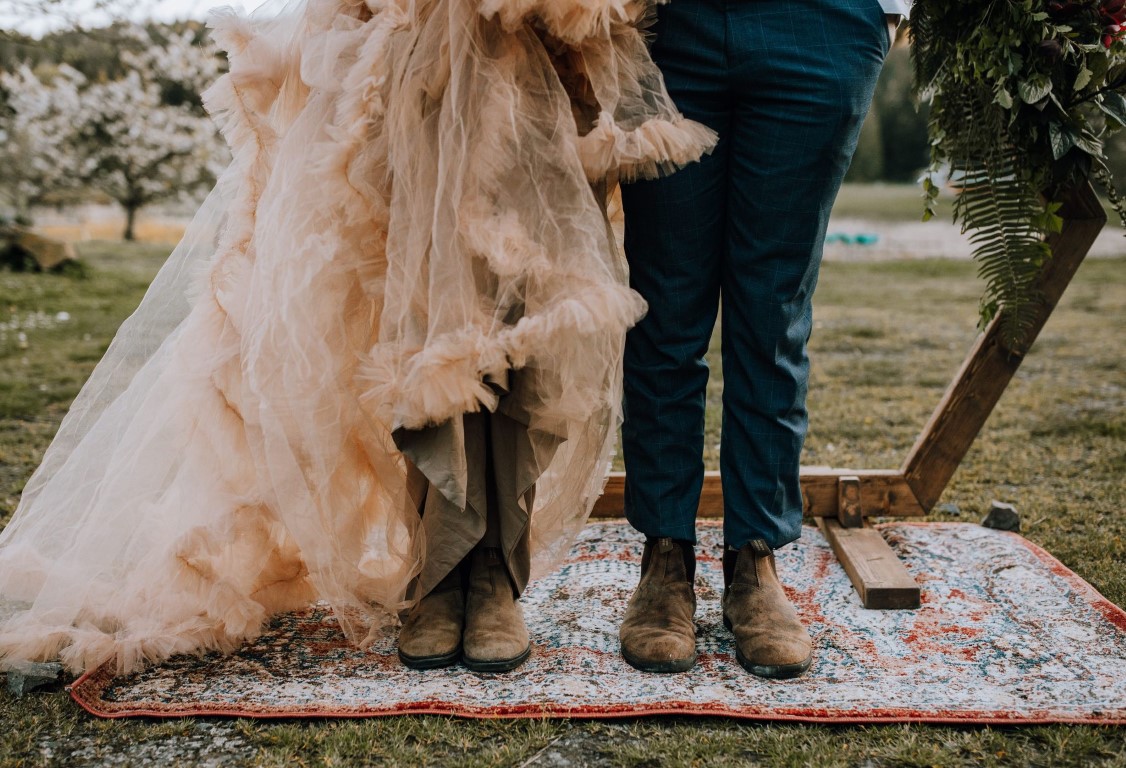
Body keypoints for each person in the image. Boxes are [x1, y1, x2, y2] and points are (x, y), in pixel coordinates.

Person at [0, 0, 715, 675]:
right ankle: (439, 565)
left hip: (545, 52)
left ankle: (495, 564)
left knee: (522, 304)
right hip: (412, 50)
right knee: (419, 304)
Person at [617, 0, 906, 677]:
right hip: (665, 23)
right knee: (664, 307)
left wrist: (886, 12)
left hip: (822, 22)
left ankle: (755, 560)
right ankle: (665, 557)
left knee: (772, 310)